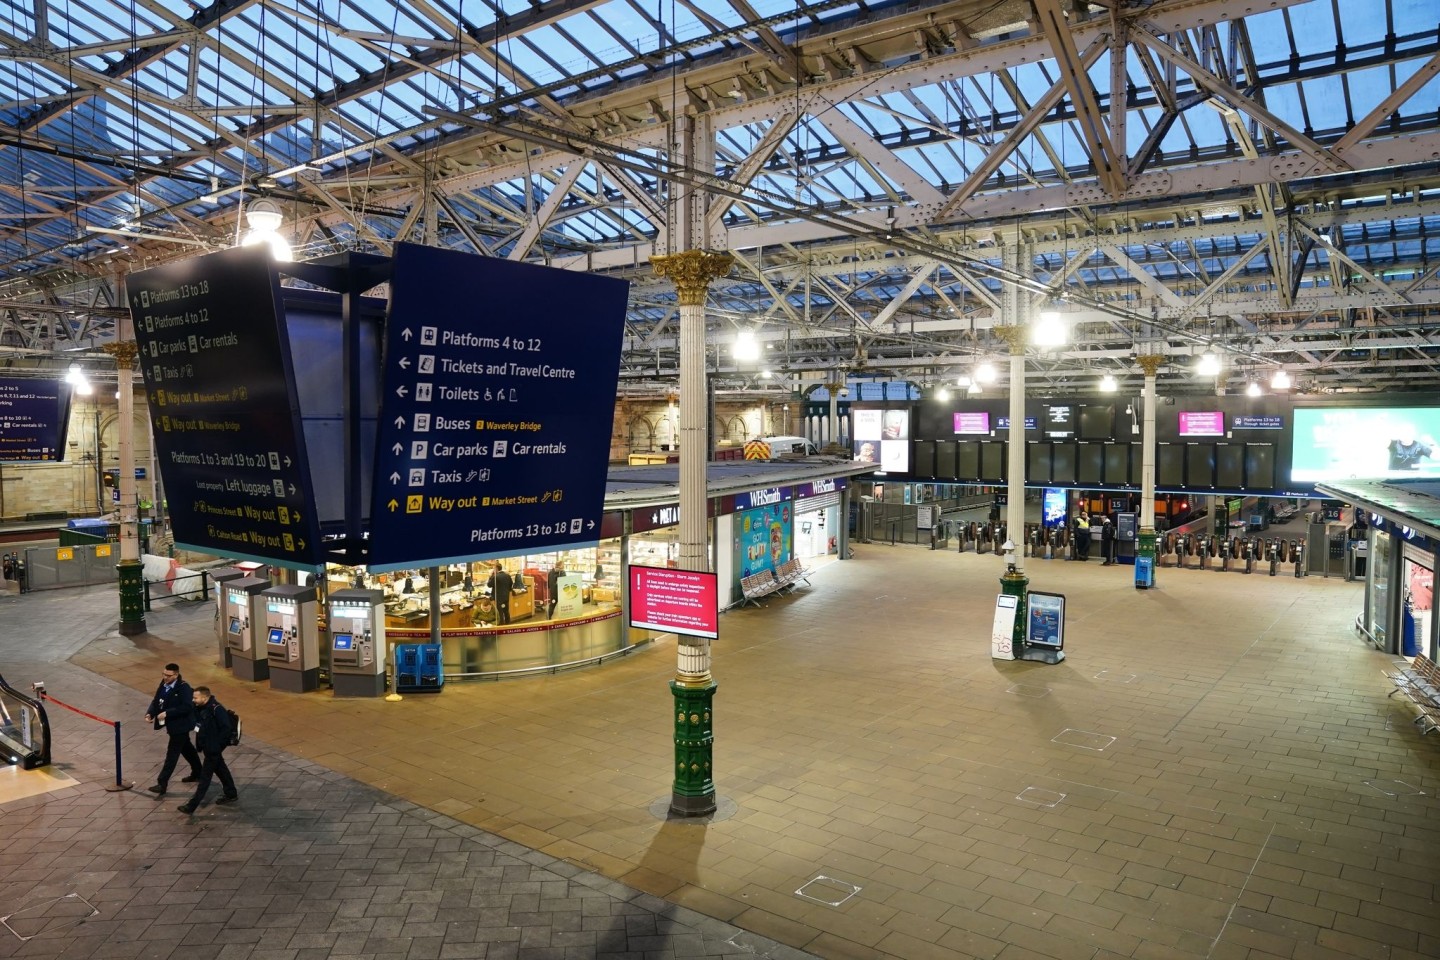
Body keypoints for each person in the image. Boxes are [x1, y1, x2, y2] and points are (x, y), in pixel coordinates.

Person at [143, 662, 202, 797]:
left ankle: (162, 783)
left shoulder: (184, 688)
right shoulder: (163, 685)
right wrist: (150, 713)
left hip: (181, 726)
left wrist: (168, 713)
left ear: (176, 675)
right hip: (172, 725)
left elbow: (187, 707)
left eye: (168, 676)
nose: (165, 677)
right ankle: (198, 772)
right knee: (187, 749)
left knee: (172, 755)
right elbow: (157, 700)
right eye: (164, 674)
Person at [177, 686, 237, 814]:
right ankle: (231, 793)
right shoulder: (199, 708)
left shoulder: (217, 709)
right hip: (207, 746)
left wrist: (217, 746)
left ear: (205, 698)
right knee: (221, 769)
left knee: (205, 778)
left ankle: (191, 806)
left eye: (195, 698)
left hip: (212, 748)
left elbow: (226, 729)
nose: (193, 700)